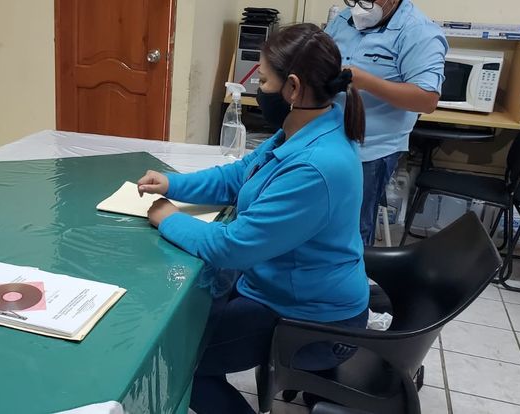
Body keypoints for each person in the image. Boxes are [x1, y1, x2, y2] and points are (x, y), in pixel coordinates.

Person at [136, 24, 369, 414]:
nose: (257, 89)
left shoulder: (316, 166)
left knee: (178, 363)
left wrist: (169, 217)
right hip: (281, 290)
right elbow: (240, 175)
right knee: (192, 321)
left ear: (293, 88)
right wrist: (173, 184)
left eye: (262, 80)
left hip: (314, 322)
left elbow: (233, 247)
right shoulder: (305, 128)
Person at [325, 0, 448, 246]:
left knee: (353, 229)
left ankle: (355, 269)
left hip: (370, 150)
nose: (358, 6)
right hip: (327, 139)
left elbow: (427, 100)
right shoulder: (343, 19)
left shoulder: (418, 31)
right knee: (324, 221)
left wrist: (366, 82)